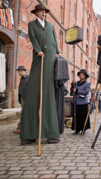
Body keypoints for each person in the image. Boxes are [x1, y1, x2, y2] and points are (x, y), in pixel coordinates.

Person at [20, 4, 60, 145]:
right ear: (36, 12)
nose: (43, 13)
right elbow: (32, 37)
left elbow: (55, 40)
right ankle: (29, 133)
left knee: (48, 93)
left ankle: (51, 133)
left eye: (44, 11)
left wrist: (57, 53)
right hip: (39, 58)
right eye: (41, 11)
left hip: (49, 59)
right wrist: (38, 50)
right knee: (33, 92)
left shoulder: (50, 26)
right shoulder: (32, 24)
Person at [70, 69, 91, 135]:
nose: (80, 76)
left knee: (83, 117)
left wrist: (77, 91)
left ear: (85, 76)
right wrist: (72, 85)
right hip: (76, 102)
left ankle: (83, 129)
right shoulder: (76, 83)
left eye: (82, 75)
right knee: (76, 116)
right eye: (80, 75)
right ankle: (77, 129)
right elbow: (72, 91)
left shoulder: (87, 84)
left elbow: (86, 92)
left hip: (83, 103)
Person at [13, 66, 29, 134]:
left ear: (24, 71)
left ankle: (20, 128)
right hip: (22, 98)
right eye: (19, 72)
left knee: (23, 113)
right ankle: (21, 127)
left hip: (26, 98)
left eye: (21, 71)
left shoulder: (28, 78)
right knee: (23, 113)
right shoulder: (22, 78)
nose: (19, 73)